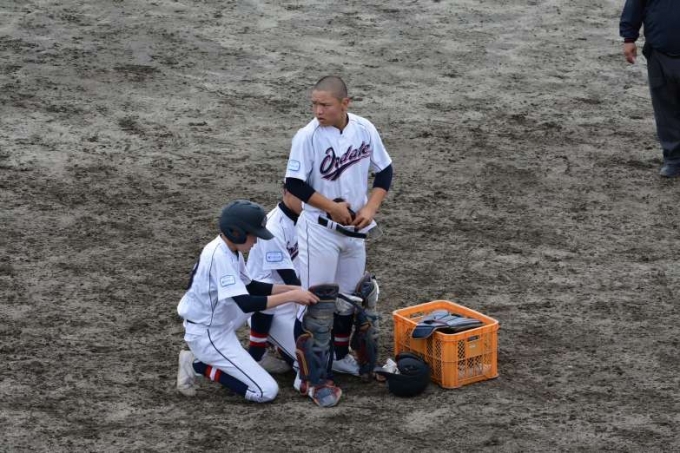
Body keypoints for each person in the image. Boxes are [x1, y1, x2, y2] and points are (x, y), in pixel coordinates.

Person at [284, 75, 393, 405]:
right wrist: (331, 207)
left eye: (325, 105)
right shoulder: (307, 137)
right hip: (319, 230)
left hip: (355, 233)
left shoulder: (364, 128)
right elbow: (295, 184)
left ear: (345, 103)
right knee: (316, 304)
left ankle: (339, 357)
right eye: (314, 104)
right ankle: (308, 376)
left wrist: (371, 208)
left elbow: (385, 171)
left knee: (348, 301)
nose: (318, 111)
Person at [175, 200, 319, 402]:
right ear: (236, 232)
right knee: (265, 391)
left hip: (222, 320)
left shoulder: (231, 250)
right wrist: (291, 296)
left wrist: (292, 289)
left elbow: (251, 286)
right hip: (208, 334)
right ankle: (197, 364)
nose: (257, 241)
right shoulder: (219, 256)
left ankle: (257, 354)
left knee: (269, 301)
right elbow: (246, 303)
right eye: (254, 235)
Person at [245, 187, 303, 374]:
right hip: (268, 304)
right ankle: (257, 352)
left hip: (293, 294)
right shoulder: (273, 227)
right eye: (301, 195)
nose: (306, 202)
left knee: (325, 354)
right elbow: (289, 279)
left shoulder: (308, 218)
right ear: (286, 191)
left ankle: (277, 344)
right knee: (308, 359)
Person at [620, 0, 680, 177]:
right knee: (665, 108)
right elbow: (635, 3)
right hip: (660, 50)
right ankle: (674, 159)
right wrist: (629, 38)